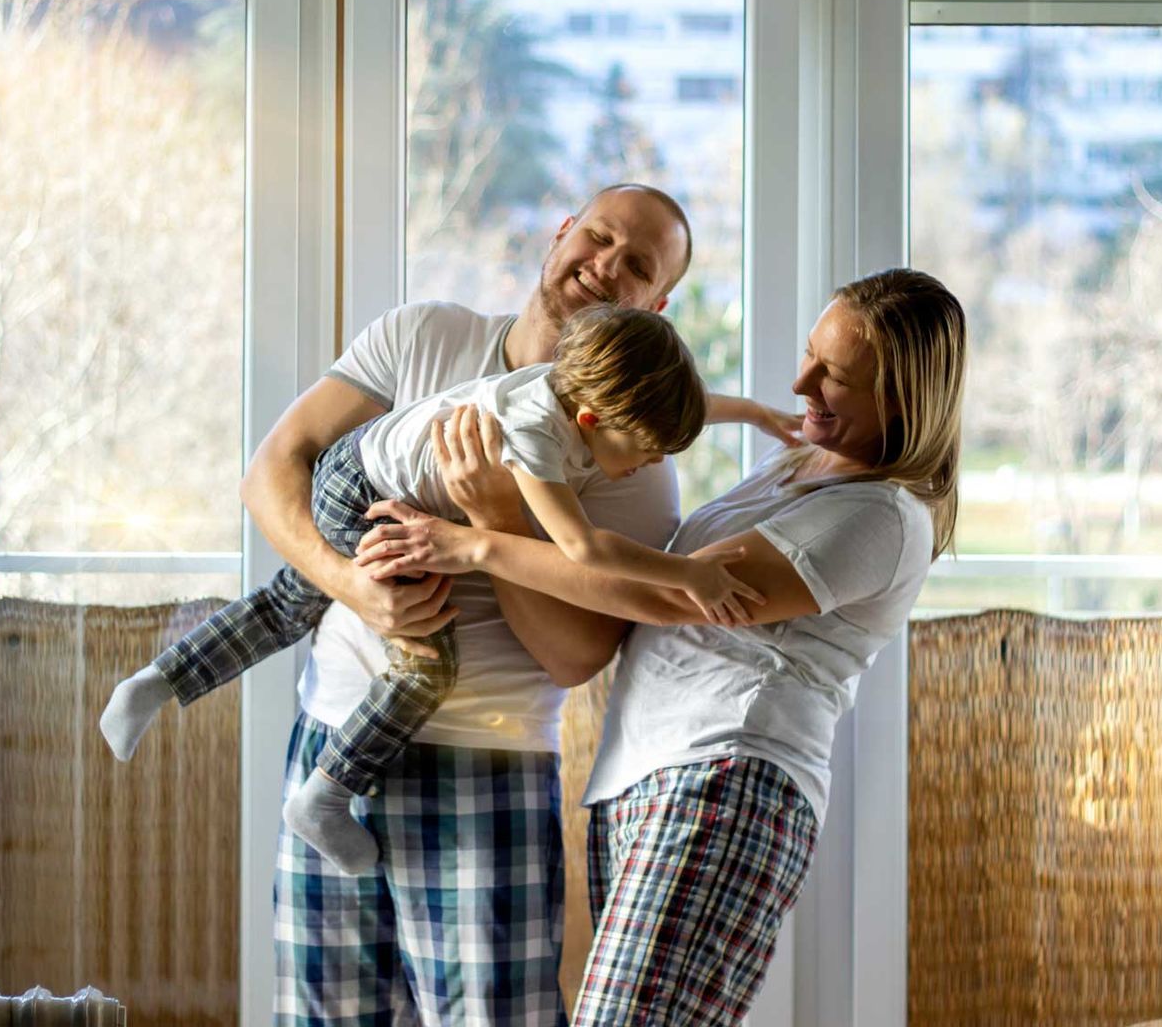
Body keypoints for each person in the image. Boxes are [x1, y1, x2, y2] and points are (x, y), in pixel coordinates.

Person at [101, 183, 796, 1027]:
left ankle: (165, 682)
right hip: (330, 730)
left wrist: (496, 518)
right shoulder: (425, 335)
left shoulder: (638, 458)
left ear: (656, 305)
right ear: (563, 232)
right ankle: (256, 749)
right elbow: (273, 470)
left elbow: (577, 657)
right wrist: (354, 585)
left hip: (485, 770)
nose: (604, 265)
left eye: (637, 264)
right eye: (600, 237)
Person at [352, 267, 967, 1026]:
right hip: (646, 776)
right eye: (811, 353)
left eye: (834, 375)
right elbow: (659, 417)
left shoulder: (878, 515)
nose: (802, 379)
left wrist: (476, 541)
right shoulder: (798, 468)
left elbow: (670, 595)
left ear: (903, 400)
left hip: (728, 776)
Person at [100, 304, 768, 876]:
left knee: (287, 602)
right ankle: (325, 798)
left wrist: (758, 415)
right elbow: (584, 550)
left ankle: (158, 681)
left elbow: (677, 408)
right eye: (647, 453)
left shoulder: (571, 388)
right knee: (425, 667)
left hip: (358, 467)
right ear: (592, 422)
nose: (650, 467)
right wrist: (689, 573)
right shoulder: (533, 436)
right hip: (369, 494)